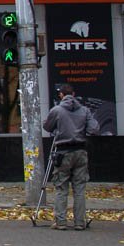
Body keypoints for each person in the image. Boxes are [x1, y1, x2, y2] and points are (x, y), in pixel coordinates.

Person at [43, 84, 99, 230]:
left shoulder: (57, 110)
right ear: (73, 94)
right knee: (79, 188)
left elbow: (47, 127)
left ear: (61, 95)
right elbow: (94, 129)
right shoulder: (85, 110)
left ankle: (60, 222)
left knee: (61, 187)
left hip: (63, 151)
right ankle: (80, 222)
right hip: (80, 151)